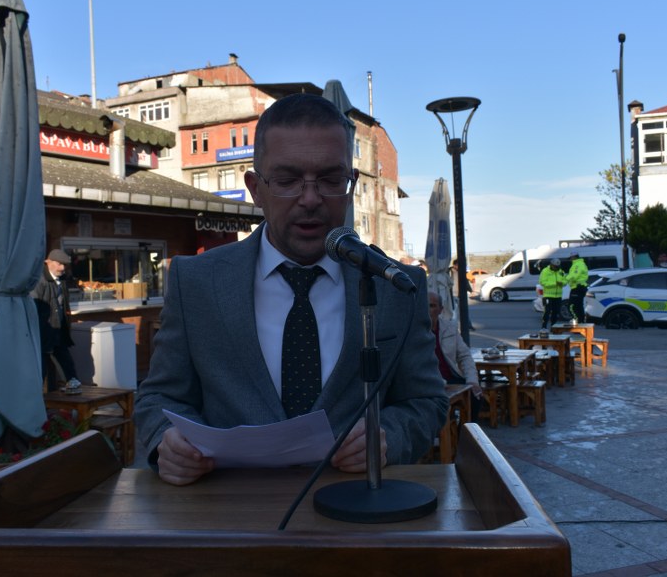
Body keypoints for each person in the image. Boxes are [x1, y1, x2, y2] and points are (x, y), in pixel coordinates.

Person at [134, 94, 448, 486]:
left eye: (331, 180)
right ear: (255, 188)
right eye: (287, 181)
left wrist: (388, 436)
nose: (311, 199)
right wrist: (168, 443)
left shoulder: (395, 286)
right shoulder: (196, 281)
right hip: (227, 511)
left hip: (356, 510)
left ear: (350, 184)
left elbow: (426, 401)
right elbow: (158, 398)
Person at [428, 291, 482, 418]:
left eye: (432, 306)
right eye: (425, 306)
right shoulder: (415, 332)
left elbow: (465, 356)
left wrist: (472, 381)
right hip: (429, 381)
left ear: (440, 310)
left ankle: (465, 429)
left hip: (451, 378)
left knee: (475, 396)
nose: (428, 310)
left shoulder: (449, 328)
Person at [32, 249, 78, 391]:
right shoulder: (40, 280)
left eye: (65, 265)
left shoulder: (62, 279)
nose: (62, 268)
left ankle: (73, 386)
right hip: (44, 330)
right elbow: (34, 307)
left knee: (66, 362)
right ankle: (39, 396)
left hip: (59, 329)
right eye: (59, 264)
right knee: (41, 367)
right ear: (48, 262)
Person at [539, 258, 566, 330]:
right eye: (555, 266)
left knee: (556, 312)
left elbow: (565, 281)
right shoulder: (545, 271)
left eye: (557, 267)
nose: (556, 268)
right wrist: (555, 283)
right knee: (547, 312)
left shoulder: (561, 271)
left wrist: (562, 283)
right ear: (551, 265)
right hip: (548, 295)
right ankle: (544, 327)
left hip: (558, 296)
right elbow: (542, 282)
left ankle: (553, 327)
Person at [565, 252, 589, 323]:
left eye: (570, 258)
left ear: (574, 257)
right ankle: (581, 321)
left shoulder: (578, 264)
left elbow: (574, 276)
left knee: (571, 306)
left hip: (578, 288)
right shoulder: (579, 264)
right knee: (578, 306)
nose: (570, 260)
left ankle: (577, 320)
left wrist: (564, 279)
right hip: (578, 287)